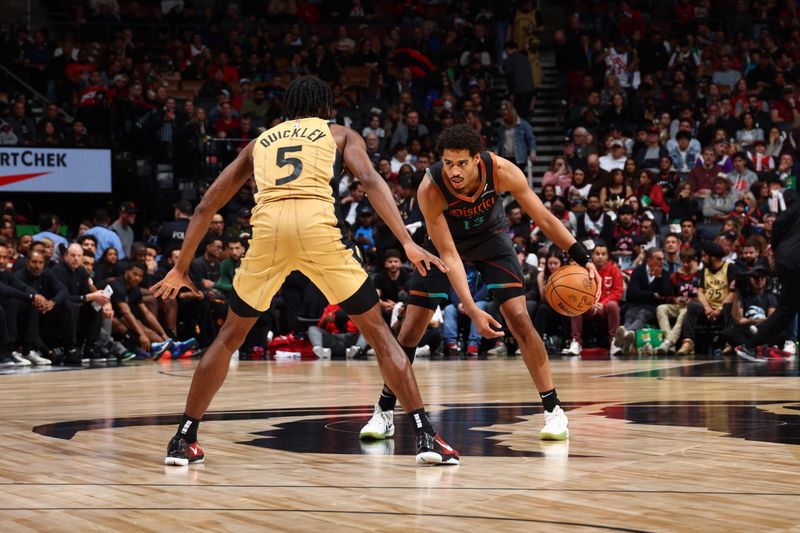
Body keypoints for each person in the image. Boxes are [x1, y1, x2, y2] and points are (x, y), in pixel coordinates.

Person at [151, 76, 459, 466]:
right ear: (325, 108)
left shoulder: (259, 142)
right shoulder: (339, 134)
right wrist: (408, 242)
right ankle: (425, 437)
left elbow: (206, 205)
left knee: (228, 337)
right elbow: (370, 180)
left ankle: (183, 438)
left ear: (287, 109)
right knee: (380, 334)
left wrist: (181, 267)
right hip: (316, 227)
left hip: (268, 230)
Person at [360, 124, 601, 443]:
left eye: (461, 163)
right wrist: (472, 309)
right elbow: (450, 256)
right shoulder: (430, 189)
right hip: (443, 245)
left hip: (491, 238)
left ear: (477, 159)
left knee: (519, 319)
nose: (454, 171)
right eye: (448, 163)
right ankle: (384, 410)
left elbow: (543, 218)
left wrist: (582, 256)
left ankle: (554, 410)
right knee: (411, 329)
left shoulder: (502, 170)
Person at [736, 194, 800, 361]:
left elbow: (779, 223)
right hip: (796, 261)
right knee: (787, 310)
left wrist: (777, 248)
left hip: (785, 259)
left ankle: (752, 343)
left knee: (786, 310)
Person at [563, 242, 623, 356]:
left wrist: (603, 304)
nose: (600, 257)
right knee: (575, 305)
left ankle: (614, 342)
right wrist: (589, 304)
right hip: (587, 307)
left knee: (613, 305)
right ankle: (576, 342)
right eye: (597, 254)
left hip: (605, 308)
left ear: (608, 256)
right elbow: (578, 290)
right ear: (592, 255)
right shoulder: (584, 270)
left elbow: (618, 291)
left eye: (603, 254)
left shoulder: (614, 270)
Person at [614, 247, 671, 355]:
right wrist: (652, 294)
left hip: (653, 307)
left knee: (642, 314)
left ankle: (626, 335)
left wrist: (658, 278)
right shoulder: (638, 271)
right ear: (649, 259)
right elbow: (632, 293)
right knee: (630, 314)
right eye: (658, 259)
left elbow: (666, 294)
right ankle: (626, 339)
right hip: (636, 303)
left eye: (663, 259)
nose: (661, 262)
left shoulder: (665, 274)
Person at [655, 247, 701, 354]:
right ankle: (670, 346)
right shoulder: (675, 276)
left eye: (688, 262)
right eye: (683, 262)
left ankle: (668, 342)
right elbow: (669, 295)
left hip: (693, 307)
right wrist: (675, 299)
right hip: (678, 305)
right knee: (661, 308)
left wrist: (692, 299)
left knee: (685, 312)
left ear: (694, 260)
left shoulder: (700, 274)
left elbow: (704, 294)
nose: (685, 265)